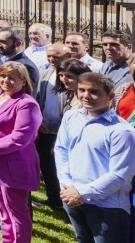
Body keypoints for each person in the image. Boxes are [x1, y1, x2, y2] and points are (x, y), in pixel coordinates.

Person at [55, 72, 135, 243]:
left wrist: (81, 192)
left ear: (111, 96)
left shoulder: (122, 131)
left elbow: (119, 176)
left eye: (94, 92)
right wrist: (67, 183)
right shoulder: (71, 116)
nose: (86, 96)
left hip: (107, 208)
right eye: (82, 90)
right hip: (73, 198)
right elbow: (61, 150)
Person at [0, 61, 42, 243]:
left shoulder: (27, 104)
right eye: (3, 76)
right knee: (2, 206)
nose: (6, 81)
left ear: (23, 80)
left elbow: (20, 137)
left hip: (14, 163)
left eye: (12, 78)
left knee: (17, 211)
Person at [34, 43, 72, 210]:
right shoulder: (44, 73)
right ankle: (53, 199)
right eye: (49, 56)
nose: (51, 60)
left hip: (63, 131)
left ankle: (66, 202)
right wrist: (38, 120)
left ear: (67, 56)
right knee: (47, 166)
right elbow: (37, 98)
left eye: (56, 57)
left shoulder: (72, 76)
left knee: (62, 168)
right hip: (45, 129)